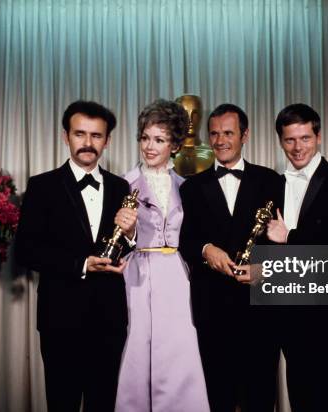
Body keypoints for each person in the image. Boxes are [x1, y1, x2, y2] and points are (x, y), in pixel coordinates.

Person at [15, 100, 137, 412]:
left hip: (109, 318)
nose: (87, 143)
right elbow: (26, 251)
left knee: (103, 403)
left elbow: (119, 245)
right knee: (62, 402)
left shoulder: (121, 185)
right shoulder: (42, 186)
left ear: (107, 140)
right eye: (80, 134)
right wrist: (81, 264)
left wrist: (132, 233)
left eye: (96, 136)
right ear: (65, 136)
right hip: (61, 318)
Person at [179, 104, 284, 412]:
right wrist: (204, 249)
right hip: (212, 308)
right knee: (218, 395)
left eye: (228, 132)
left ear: (245, 135)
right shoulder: (191, 187)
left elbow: (286, 239)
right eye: (214, 133)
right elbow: (185, 239)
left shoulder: (273, 181)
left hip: (260, 308)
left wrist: (265, 267)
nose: (220, 140)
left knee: (261, 396)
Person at [266, 103, 328, 411]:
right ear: (281, 141)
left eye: (305, 138)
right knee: (300, 395)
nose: (297, 147)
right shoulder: (272, 185)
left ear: (318, 136)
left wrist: (289, 237)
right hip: (285, 308)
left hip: (326, 311)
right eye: (290, 139)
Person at [115, 99, 210, 411]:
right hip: (137, 277)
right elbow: (109, 241)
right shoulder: (122, 185)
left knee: (179, 356)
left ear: (175, 144)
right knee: (135, 354)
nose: (149, 146)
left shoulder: (187, 187)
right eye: (144, 138)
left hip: (178, 279)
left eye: (158, 139)